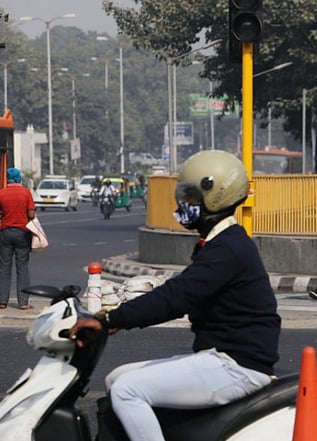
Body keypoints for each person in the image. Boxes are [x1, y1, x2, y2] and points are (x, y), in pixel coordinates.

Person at [69, 150, 281, 441]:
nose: (185, 204)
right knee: (115, 378)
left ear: (215, 197)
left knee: (126, 390)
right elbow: (177, 292)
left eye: (192, 197)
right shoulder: (220, 243)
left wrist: (110, 319)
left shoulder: (227, 250)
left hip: (236, 366)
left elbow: (176, 298)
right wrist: (112, 319)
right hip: (219, 357)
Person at [0, 168, 36, 310]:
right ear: (19, 178)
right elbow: (31, 214)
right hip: (22, 233)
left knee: (4, 267)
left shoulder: (2, 193)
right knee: (22, 267)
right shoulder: (26, 193)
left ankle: (2, 301)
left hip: (5, 233)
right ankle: (23, 302)